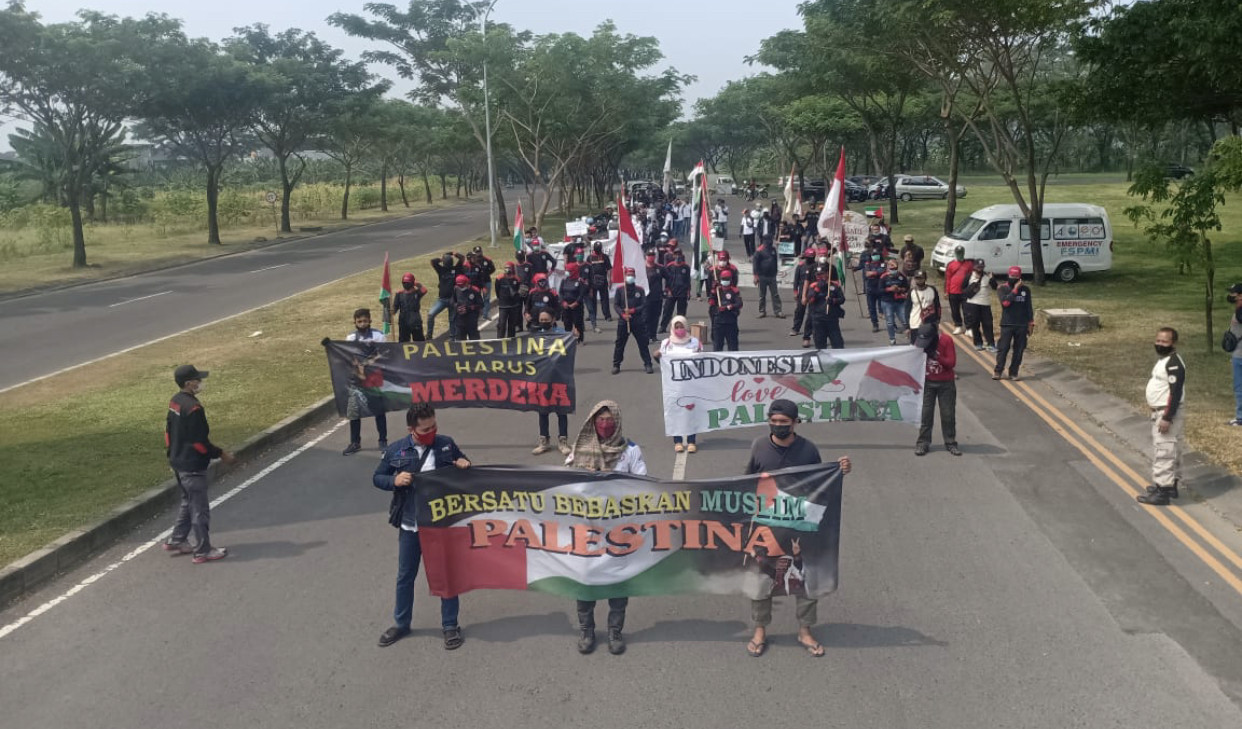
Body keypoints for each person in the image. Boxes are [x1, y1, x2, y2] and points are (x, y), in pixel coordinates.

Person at [743, 399, 851, 658]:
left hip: (800, 527)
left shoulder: (808, 450)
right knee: (760, 580)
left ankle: (805, 630)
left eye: (784, 422)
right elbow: (746, 481)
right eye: (774, 420)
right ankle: (759, 630)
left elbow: (820, 483)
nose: (778, 425)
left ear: (795, 423)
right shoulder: (759, 446)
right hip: (766, 526)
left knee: (805, 579)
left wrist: (840, 470)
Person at [373, 403, 471, 648]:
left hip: (440, 526)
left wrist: (462, 464)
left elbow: (466, 464)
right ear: (411, 429)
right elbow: (378, 477)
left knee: (445, 575)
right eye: (426, 428)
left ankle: (450, 625)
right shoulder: (396, 450)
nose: (432, 431)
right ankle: (401, 623)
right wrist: (394, 480)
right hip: (410, 526)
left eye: (434, 426)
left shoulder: (446, 444)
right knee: (405, 576)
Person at [565, 400, 647, 655]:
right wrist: (584, 475)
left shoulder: (630, 450)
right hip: (586, 530)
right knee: (585, 580)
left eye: (610, 420)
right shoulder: (578, 450)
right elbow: (563, 484)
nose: (605, 424)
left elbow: (643, 483)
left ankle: (615, 631)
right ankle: (587, 630)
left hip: (619, 530)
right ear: (592, 422)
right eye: (600, 420)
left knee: (618, 581)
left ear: (618, 421)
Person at [162, 364, 234, 564]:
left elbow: (168, 432)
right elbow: (199, 442)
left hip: (177, 460)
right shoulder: (193, 408)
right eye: (197, 379)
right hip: (192, 465)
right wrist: (220, 454)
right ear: (189, 383)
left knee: (187, 501)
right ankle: (203, 550)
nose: (200, 382)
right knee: (199, 509)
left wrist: (172, 454)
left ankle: (177, 539)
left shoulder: (175, 402)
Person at [1137, 327, 1187, 506]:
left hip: (1166, 412)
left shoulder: (1173, 363)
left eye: (1164, 342)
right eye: (1158, 340)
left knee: (1164, 451)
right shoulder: (1165, 360)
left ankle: (1162, 492)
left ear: (1173, 343)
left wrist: (1167, 417)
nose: (1160, 344)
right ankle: (1169, 485)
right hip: (1161, 411)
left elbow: (1175, 392)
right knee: (1172, 450)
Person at [653, 315, 702, 453]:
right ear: (673, 328)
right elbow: (664, 364)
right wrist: (656, 356)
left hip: (691, 384)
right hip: (673, 385)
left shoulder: (694, 342)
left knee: (692, 412)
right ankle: (678, 440)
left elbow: (702, 363)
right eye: (677, 327)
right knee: (675, 411)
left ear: (686, 327)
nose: (680, 329)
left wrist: (699, 355)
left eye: (682, 327)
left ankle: (692, 440)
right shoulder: (666, 343)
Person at [343, 308, 389, 455]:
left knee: (379, 411)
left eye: (365, 321)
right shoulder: (350, 337)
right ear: (355, 322)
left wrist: (369, 364)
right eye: (359, 321)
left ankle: (383, 441)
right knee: (354, 412)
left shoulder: (378, 335)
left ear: (370, 320)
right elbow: (349, 356)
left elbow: (384, 354)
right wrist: (359, 368)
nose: (362, 324)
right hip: (356, 380)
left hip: (374, 378)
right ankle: (355, 442)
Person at [913, 322, 961, 456]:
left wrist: (936, 356)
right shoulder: (920, 342)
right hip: (927, 383)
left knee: (948, 414)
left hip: (946, 383)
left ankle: (950, 442)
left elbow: (951, 363)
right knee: (926, 415)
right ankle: (923, 442)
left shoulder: (946, 340)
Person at [528, 311, 573, 455]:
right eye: (541, 319)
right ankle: (544, 441)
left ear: (553, 319)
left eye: (546, 319)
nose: (543, 321)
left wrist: (574, 336)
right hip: (542, 379)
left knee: (561, 411)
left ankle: (563, 441)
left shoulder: (562, 335)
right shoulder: (535, 336)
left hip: (559, 378)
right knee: (542, 411)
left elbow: (568, 350)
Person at [993, 266, 1033, 381]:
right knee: (1003, 348)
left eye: (1016, 277)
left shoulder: (1026, 290)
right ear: (1008, 276)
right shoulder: (1002, 288)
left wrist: (1031, 322)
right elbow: (1005, 303)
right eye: (1012, 276)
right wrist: (1015, 290)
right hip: (1007, 324)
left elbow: (1028, 306)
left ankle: (1013, 372)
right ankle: (998, 371)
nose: (1014, 278)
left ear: (1020, 277)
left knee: (1019, 350)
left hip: (1021, 324)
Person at [612, 267, 654, 375]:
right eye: (628, 275)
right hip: (623, 321)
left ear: (634, 276)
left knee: (643, 343)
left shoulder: (640, 290)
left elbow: (644, 304)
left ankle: (648, 364)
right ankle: (616, 364)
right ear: (625, 276)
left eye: (632, 275)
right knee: (619, 344)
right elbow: (616, 305)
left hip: (637, 321)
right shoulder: (620, 290)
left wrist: (633, 310)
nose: (630, 277)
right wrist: (622, 314)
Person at [806, 263, 845, 350]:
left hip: (832, 319)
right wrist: (817, 289)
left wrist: (833, 300)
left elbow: (842, 299)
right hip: (818, 320)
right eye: (817, 274)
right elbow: (810, 300)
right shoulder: (813, 286)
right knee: (820, 347)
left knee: (838, 345)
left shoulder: (834, 285)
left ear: (827, 273)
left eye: (821, 274)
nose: (819, 276)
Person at [427, 252, 465, 340]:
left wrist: (454, 253)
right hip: (442, 299)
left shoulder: (456, 269)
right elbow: (432, 262)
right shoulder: (441, 270)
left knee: (452, 320)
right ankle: (429, 336)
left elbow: (462, 258)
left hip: (453, 299)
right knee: (431, 315)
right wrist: (442, 258)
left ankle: (452, 338)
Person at [963, 259, 997, 352]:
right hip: (973, 304)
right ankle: (978, 343)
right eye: (978, 267)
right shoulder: (969, 276)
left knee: (988, 324)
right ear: (974, 267)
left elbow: (995, 287)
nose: (980, 268)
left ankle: (991, 344)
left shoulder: (987, 276)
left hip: (985, 304)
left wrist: (992, 278)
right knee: (975, 324)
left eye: (982, 267)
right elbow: (963, 287)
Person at [710, 268, 743, 352]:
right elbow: (711, 303)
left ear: (730, 280)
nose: (725, 281)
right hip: (719, 322)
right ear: (720, 279)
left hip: (730, 321)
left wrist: (730, 306)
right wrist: (713, 291)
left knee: (733, 347)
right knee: (717, 347)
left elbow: (739, 304)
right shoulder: (718, 290)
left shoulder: (734, 291)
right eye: (723, 279)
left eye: (727, 279)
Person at [659, 249, 691, 334]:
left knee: (681, 312)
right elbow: (666, 280)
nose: (677, 256)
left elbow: (688, 280)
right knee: (667, 310)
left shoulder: (686, 267)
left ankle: (680, 328)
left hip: (682, 292)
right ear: (673, 256)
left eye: (679, 254)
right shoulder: (670, 266)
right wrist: (667, 290)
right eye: (676, 254)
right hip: (671, 292)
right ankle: (663, 327)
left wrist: (688, 292)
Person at [944, 245, 974, 334]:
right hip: (953, 291)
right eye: (958, 253)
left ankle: (969, 328)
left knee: (967, 310)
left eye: (961, 253)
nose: (959, 255)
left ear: (963, 253)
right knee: (955, 310)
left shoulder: (969, 264)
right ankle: (958, 325)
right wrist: (946, 291)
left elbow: (972, 278)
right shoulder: (951, 264)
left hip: (965, 291)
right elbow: (948, 279)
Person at [752, 238, 784, 319]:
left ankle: (778, 311)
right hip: (762, 276)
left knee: (775, 295)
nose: (770, 243)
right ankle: (762, 311)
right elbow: (755, 265)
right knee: (762, 295)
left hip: (772, 276)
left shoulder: (773, 249)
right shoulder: (759, 251)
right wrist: (755, 277)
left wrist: (776, 271)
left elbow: (775, 261)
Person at [878, 259, 909, 346]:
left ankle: (910, 336)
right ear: (888, 268)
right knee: (890, 322)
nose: (893, 270)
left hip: (900, 301)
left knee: (905, 319)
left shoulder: (901, 276)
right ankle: (892, 338)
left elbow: (906, 287)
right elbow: (880, 290)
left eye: (895, 268)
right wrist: (889, 289)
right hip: (887, 302)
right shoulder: (883, 277)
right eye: (891, 268)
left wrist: (900, 289)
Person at [854, 250, 885, 333]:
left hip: (881, 288)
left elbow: (883, 271)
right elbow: (867, 274)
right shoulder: (868, 264)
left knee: (884, 306)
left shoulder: (883, 264)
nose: (875, 257)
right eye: (874, 255)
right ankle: (875, 324)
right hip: (870, 289)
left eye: (877, 255)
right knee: (871, 308)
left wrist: (873, 273)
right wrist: (876, 273)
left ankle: (892, 324)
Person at [392, 273, 428, 343]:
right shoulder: (399, 294)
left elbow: (424, 290)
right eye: (404, 283)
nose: (406, 284)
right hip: (403, 321)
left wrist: (417, 284)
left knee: (419, 341)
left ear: (412, 283)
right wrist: (392, 311)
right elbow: (395, 307)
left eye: (408, 283)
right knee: (403, 341)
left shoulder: (417, 293)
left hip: (415, 320)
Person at [789, 250, 818, 338]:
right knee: (799, 311)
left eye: (812, 257)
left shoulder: (817, 266)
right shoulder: (800, 266)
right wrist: (795, 292)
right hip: (802, 292)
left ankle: (813, 329)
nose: (810, 259)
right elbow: (796, 281)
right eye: (809, 257)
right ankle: (795, 328)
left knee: (813, 312)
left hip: (814, 291)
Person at [907, 270, 941, 344]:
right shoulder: (911, 292)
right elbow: (907, 309)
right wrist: (907, 326)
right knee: (915, 345)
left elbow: (937, 305)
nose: (919, 280)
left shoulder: (932, 289)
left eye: (921, 278)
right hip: (915, 322)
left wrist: (938, 320)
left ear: (925, 279)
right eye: (917, 278)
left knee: (932, 345)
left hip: (930, 323)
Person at [586, 242, 612, 332]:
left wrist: (610, 279)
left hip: (603, 280)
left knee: (604, 299)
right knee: (592, 300)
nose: (598, 250)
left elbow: (609, 269)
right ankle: (592, 316)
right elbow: (586, 270)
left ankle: (607, 316)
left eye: (599, 248)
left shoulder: (605, 257)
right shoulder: (589, 257)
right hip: (593, 281)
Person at [558, 262, 587, 344]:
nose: (567, 272)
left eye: (569, 270)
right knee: (567, 324)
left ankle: (580, 339)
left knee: (578, 323)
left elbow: (581, 294)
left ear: (574, 271)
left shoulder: (579, 281)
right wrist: (563, 302)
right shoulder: (564, 280)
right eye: (567, 270)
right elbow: (560, 293)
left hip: (576, 306)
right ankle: (568, 340)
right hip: (566, 306)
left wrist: (576, 303)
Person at [494, 262, 524, 339]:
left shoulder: (516, 279)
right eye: (506, 267)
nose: (507, 269)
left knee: (512, 325)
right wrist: (500, 298)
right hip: (503, 305)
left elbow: (519, 290)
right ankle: (500, 340)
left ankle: (511, 340)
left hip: (514, 305)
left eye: (509, 267)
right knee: (502, 324)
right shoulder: (499, 278)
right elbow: (497, 290)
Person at [466, 246, 496, 320]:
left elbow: (493, 269)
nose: (478, 254)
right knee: (476, 299)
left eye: (479, 252)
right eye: (477, 252)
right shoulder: (472, 262)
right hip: (477, 284)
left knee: (486, 298)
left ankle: (485, 314)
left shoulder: (487, 260)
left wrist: (486, 274)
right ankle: (478, 314)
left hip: (486, 281)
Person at [452, 274, 483, 341]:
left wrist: (468, 308)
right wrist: (457, 307)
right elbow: (452, 301)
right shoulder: (456, 289)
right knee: (460, 339)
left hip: (471, 319)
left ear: (467, 283)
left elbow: (480, 304)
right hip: (460, 320)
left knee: (474, 339)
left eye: (462, 285)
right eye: (459, 286)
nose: (461, 287)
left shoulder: (475, 290)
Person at [644, 252, 665, 343]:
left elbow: (669, 277)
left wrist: (667, 289)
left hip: (657, 297)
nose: (651, 257)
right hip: (646, 297)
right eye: (649, 255)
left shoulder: (659, 268)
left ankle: (653, 335)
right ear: (646, 256)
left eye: (652, 255)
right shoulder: (642, 268)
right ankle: (646, 336)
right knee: (646, 317)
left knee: (655, 317)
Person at [1229, 283, 1242, 426]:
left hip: (1240, 354)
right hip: (1237, 353)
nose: (1231, 296)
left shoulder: (1240, 312)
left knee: (1239, 388)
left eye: (1234, 294)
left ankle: (1240, 417)